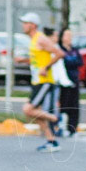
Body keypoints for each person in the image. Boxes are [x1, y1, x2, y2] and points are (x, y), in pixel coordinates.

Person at [20, 13, 64, 152]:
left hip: (44, 81)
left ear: (33, 25)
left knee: (28, 109)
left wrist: (46, 67)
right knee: (33, 113)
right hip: (36, 81)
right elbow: (37, 61)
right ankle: (51, 141)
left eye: (25, 23)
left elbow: (59, 53)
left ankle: (56, 119)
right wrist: (24, 61)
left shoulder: (41, 38)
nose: (23, 25)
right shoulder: (33, 40)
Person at [58, 28, 82, 137]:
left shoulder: (74, 49)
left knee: (75, 105)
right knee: (64, 104)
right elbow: (63, 62)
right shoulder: (59, 49)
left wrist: (69, 60)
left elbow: (80, 61)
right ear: (62, 37)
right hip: (63, 81)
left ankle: (73, 128)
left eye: (70, 35)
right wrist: (70, 60)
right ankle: (62, 127)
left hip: (74, 80)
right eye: (67, 35)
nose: (69, 38)